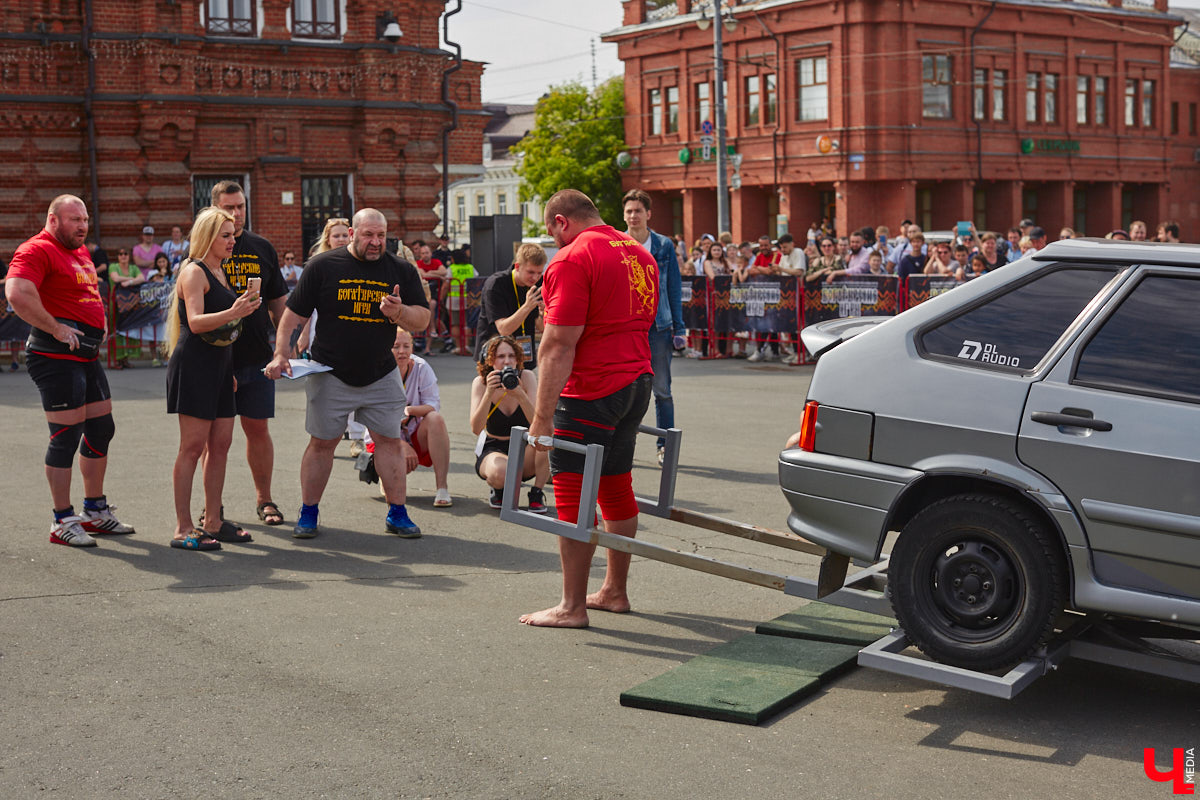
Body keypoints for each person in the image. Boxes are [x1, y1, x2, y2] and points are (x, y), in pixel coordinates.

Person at [520, 189, 657, 629]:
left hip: (592, 389)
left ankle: (571, 606)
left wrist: (541, 419)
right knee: (617, 486)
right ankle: (614, 590)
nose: (553, 244)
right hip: (637, 381)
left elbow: (558, 344)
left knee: (573, 495)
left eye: (551, 233)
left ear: (562, 221)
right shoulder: (638, 252)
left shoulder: (573, 257)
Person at [264, 208, 431, 539]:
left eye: (381, 236)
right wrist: (281, 352)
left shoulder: (399, 269)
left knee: (389, 441)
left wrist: (399, 312)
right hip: (331, 371)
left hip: (380, 371)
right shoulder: (324, 266)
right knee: (322, 443)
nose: (375, 242)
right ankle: (308, 513)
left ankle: (397, 512)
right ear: (352, 233)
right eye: (368, 235)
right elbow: (292, 314)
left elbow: (422, 319)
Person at [6, 194, 134, 546]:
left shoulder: (79, 251)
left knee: (101, 428)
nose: (82, 226)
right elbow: (16, 293)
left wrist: (102, 321)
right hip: (55, 357)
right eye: (74, 219)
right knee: (65, 436)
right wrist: (56, 328)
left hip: (86, 355)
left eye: (85, 219)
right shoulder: (36, 249)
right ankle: (62, 520)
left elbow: (88, 292)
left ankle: (94, 511)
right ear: (53, 219)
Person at [164, 207, 262, 551]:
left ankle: (213, 521)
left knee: (220, 444)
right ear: (207, 237)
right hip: (194, 366)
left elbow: (224, 331)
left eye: (233, 234)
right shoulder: (194, 272)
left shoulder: (221, 271)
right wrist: (235, 310)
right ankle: (182, 526)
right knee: (191, 448)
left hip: (220, 367)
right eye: (225, 235)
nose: (232, 240)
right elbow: (195, 322)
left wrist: (230, 370)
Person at [211, 180, 289, 528]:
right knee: (217, 438)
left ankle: (265, 499)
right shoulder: (201, 249)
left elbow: (279, 302)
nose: (236, 213)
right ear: (214, 209)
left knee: (258, 430)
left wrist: (285, 345)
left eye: (240, 206)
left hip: (256, 356)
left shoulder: (261, 247)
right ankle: (214, 509)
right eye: (228, 207)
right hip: (215, 358)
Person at [622, 189, 684, 466]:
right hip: (625, 327)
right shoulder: (617, 243)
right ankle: (623, 442)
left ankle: (664, 446)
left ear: (648, 214)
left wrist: (679, 329)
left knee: (662, 389)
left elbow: (673, 288)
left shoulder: (663, 245)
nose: (633, 216)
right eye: (629, 211)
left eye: (638, 211)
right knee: (624, 388)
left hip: (658, 326)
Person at [363, 328, 453, 508]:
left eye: (406, 346)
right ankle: (384, 473)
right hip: (381, 436)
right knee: (393, 456)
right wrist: (400, 444)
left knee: (436, 419)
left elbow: (433, 404)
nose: (402, 351)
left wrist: (410, 410)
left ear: (412, 347)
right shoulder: (375, 369)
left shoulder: (421, 367)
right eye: (396, 346)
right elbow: (370, 413)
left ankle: (442, 487)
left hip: (414, 431)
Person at [469, 335, 549, 511]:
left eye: (512, 356)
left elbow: (537, 422)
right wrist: (489, 393)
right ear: (490, 360)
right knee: (502, 472)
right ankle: (499, 488)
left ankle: (536, 492)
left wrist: (520, 394)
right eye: (501, 357)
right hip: (493, 447)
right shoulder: (481, 382)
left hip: (524, 448)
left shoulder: (526, 377)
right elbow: (476, 428)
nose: (507, 362)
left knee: (544, 438)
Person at [472, 242, 547, 368]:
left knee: (527, 386)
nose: (535, 278)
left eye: (539, 273)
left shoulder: (539, 283)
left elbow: (541, 328)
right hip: (495, 356)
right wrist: (527, 306)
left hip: (523, 355)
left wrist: (542, 313)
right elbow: (504, 329)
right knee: (495, 387)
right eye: (531, 272)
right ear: (517, 266)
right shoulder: (496, 284)